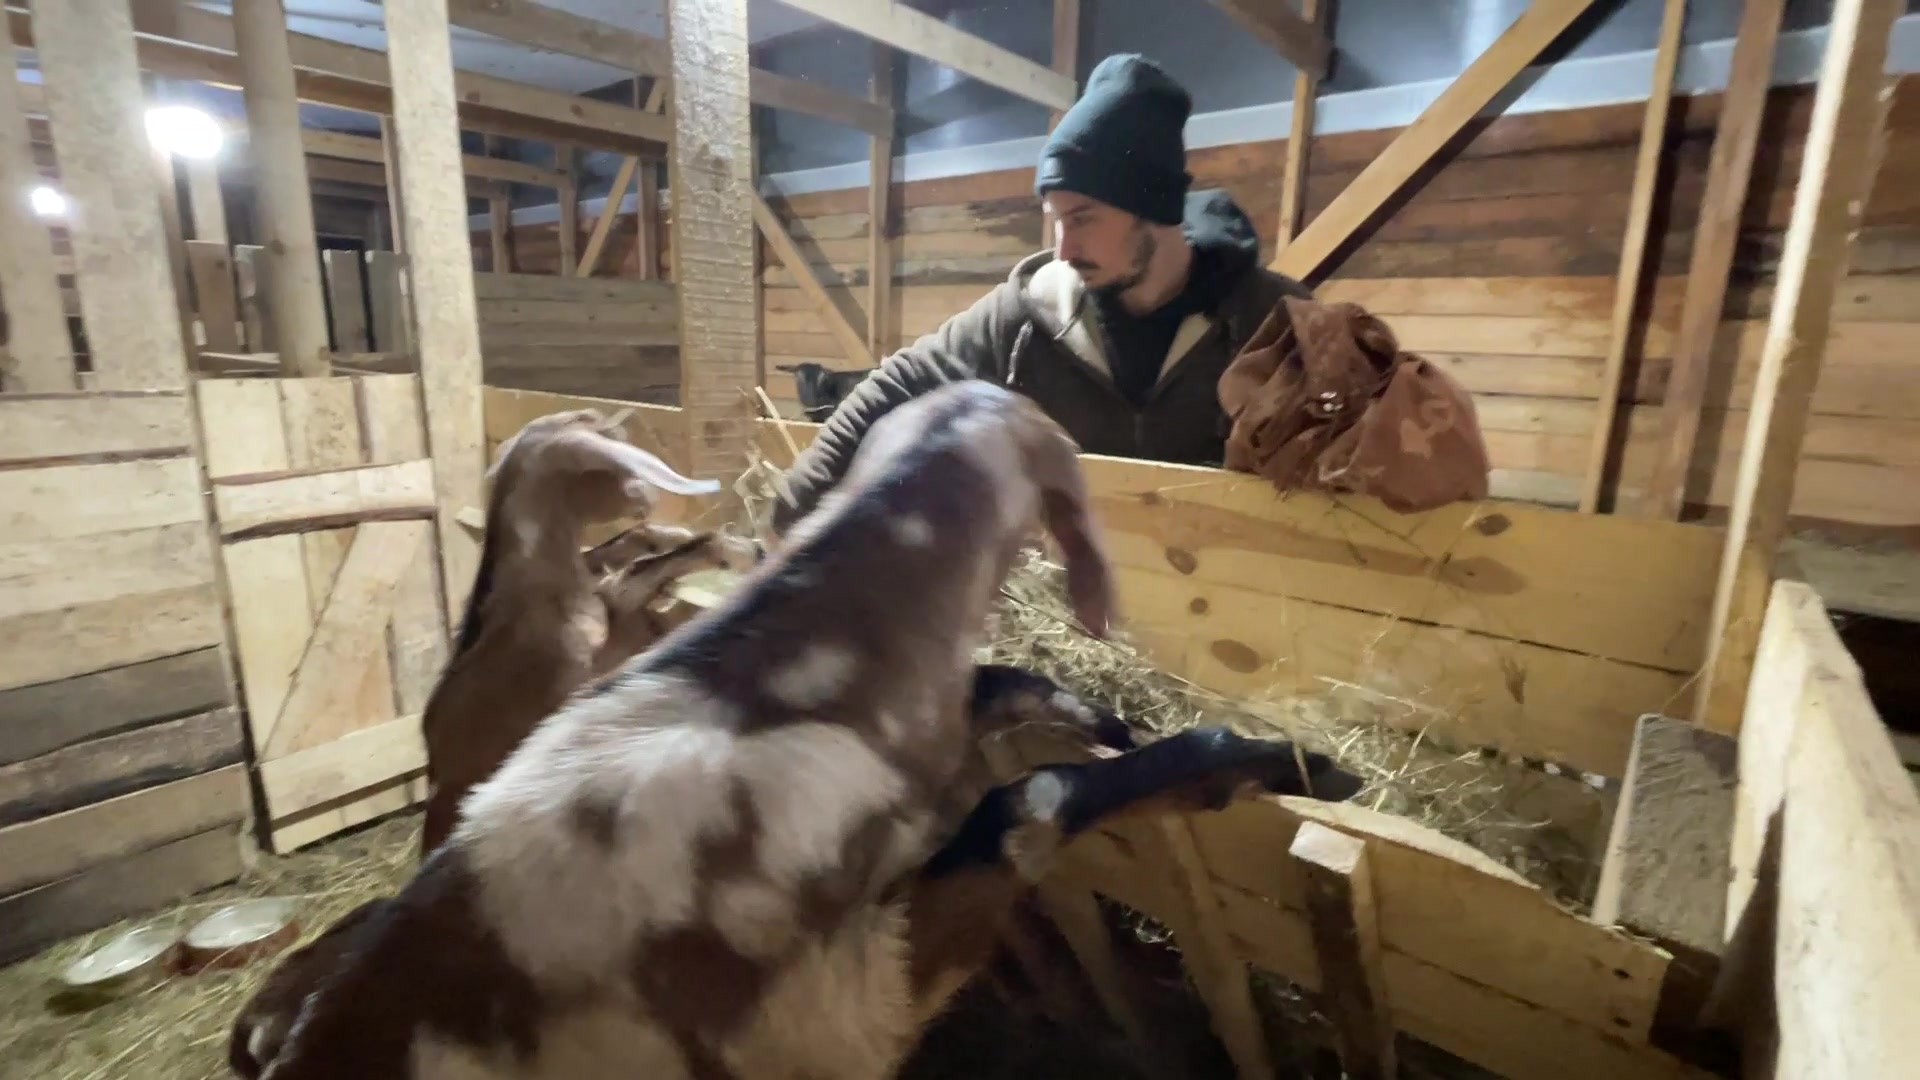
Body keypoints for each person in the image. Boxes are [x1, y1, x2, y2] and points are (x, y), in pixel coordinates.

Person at [769, 53, 1316, 535]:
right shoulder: (1030, 313)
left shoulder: (1268, 321)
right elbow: (896, 388)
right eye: (1055, 219)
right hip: (1075, 603)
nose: (1063, 248)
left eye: (1082, 219)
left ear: (1154, 210)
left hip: (1227, 608)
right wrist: (792, 513)